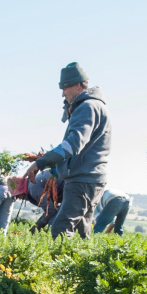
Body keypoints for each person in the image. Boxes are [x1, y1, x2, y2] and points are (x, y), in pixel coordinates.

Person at [24, 62, 111, 238]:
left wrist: (41, 162)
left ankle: (61, 265)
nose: (63, 93)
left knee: (60, 229)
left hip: (82, 179)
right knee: (81, 232)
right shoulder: (92, 106)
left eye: (65, 87)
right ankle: (84, 264)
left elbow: (73, 144)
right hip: (91, 177)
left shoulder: (87, 107)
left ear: (79, 85)